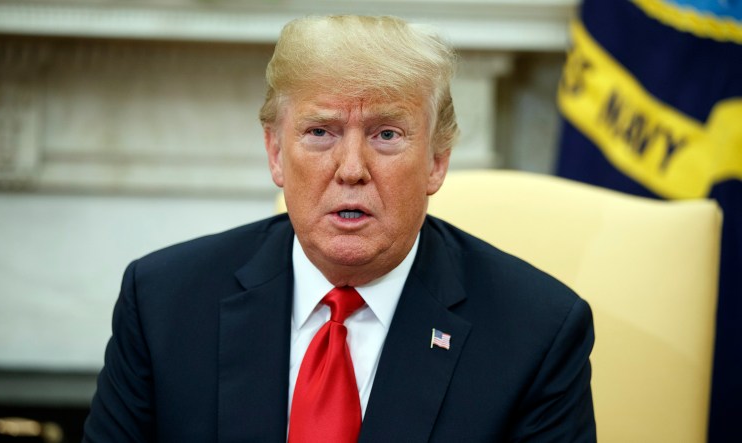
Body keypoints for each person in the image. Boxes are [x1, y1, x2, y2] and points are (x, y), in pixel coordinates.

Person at [83, 15, 596, 442]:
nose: (351, 167)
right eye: (320, 132)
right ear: (276, 153)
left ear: (437, 160)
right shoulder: (163, 302)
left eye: (387, 134)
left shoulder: (536, 334)